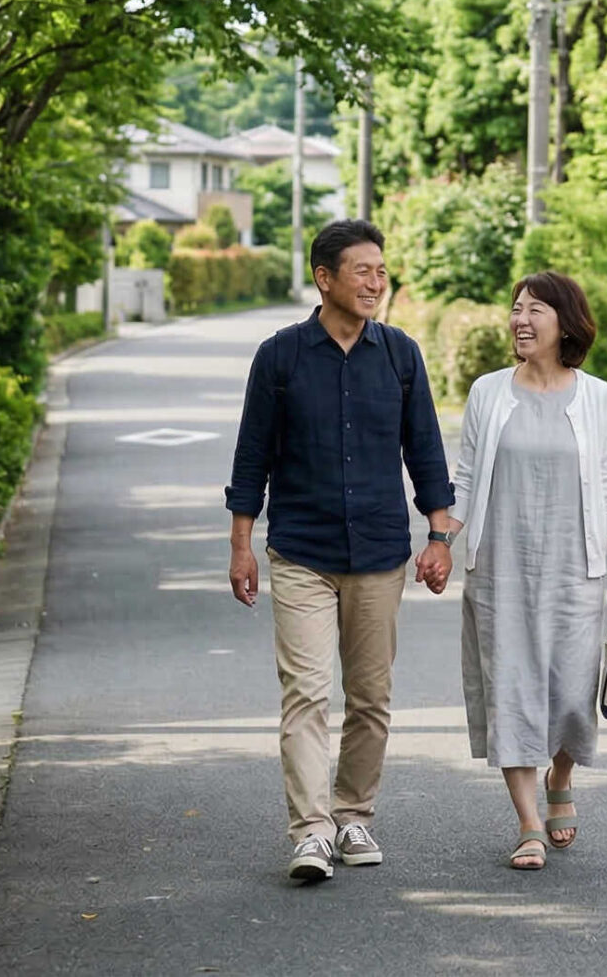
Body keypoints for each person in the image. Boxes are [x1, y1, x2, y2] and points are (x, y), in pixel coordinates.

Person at [226, 219, 458, 884]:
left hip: (381, 551)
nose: (376, 282)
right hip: (301, 549)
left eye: (381, 270)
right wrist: (241, 545)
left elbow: (426, 450)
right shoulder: (281, 356)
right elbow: (251, 458)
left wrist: (439, 535)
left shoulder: (400, 354)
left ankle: (353, 812)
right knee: (305, 691)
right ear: (324, 278)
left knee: (370, 694)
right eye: (362, 270)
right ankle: (310, 829)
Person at [449, 270, 607, 871]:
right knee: (511, 689)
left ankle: (561, 774)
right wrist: (438, 540)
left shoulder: (597, 397)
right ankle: (528, 821)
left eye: (535, 310)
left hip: (574, 571)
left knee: (572, 696)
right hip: (501, 568)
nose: (520, 320)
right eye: (515, 309)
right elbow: (468, 476)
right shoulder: (488, 392)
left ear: (565, 323)